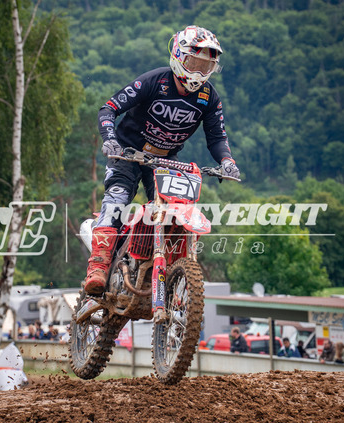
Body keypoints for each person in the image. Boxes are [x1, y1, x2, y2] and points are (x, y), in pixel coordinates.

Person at [84, 25, 240, 294]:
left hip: (166, 160)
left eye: (206, 66)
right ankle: (98, 267)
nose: (199, 72)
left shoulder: (209, 97)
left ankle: (158, 268)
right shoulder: (155, 81)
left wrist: (227, 161)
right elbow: (109, 108)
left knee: (172, 213)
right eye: (194, 63)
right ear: (179, 56)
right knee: (117, 199)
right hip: (127, 151)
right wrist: (109, 138)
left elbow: (216, 136)